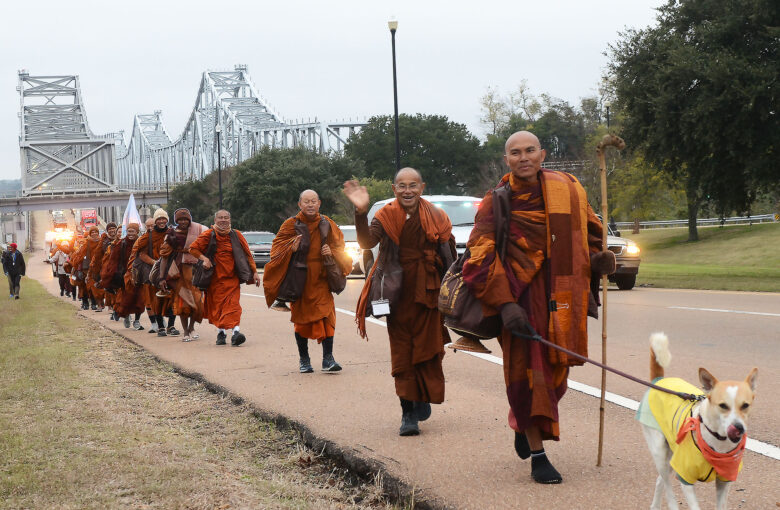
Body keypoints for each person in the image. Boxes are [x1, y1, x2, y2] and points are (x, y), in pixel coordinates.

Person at [462, 130, 616, 484]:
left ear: (542, 154)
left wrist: (600, 259)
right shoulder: (497, 200)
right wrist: (504, 305)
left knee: (556, 378)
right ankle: (539, 456)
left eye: (530, 150)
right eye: (515, 153)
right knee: (529, 378)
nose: (524, 157)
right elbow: (478, 257)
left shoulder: (570, 190)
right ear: (507, 160)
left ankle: (521, 423)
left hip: (563, 298)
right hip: (518, 301)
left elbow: (590, 234)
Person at [344, 169, 456, 436]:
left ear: (422, 187)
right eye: (402, 186)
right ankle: (408, 413)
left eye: (413, 185)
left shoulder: (437, 215)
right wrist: (360, 213)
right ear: (394, 189)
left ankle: (422, 395)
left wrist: (454, 291)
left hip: (429, 293)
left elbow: (449, 254)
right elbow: (366, 241)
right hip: (398, 293)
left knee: (431, 349)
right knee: (403, 352)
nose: (408, 191)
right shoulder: (386, 215)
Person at [263, 190, 353, 373]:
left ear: (319, 203)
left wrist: (332, 253)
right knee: (301, 322)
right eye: (306, 202)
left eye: (313, 201)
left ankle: (328, 359)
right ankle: (304, 360)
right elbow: (277, 250)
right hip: (300, 281)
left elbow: (340, 247)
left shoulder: (327, 223)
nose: (310, 205)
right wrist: (291, 248)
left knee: (328, 317)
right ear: (300, 204)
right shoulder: (290, 225)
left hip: (321, 279)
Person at [188, 209, 260, 346]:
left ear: (230, 220)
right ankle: (221, 333)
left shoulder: (236, 235)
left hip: (232, 278)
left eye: (226, 218)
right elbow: (193, 249)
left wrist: (255, 272)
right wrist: (204, 259)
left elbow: (247, 254)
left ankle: (236, 333)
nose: (223, 220)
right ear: (215, 220)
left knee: (233, 306)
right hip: (214, 279)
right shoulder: (209, 234)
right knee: (218, 308)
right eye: (220, 218)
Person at [159, 208, 207, 342]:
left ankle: (192, 328)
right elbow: (164, 257)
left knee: (197, 302)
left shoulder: (199, 232)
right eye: (180, 219)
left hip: (196, 272)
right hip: (179, 273)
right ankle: (185, 331)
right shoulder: (171, 234)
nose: (183, 221)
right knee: (183, 304)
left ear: (190, 219)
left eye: (185, 219)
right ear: (176, 220)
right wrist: (162, 278)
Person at [131, 209, 179, 337]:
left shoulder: (172, 234)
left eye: (164, 219)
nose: (162, 221)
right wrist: (155, 263)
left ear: (167, 220)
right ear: (156, 221)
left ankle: (171, 326)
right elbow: (141, 254)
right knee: (156, 299)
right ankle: (161, 327)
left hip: (171, 271)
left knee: (172, 298)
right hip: (154, 271)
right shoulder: (148, 236)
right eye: (159, 219)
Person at [103, 222, 146, 329]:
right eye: (129, 231)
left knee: (139, 299)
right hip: (125, 276)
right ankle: (126, 316)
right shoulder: (121, 244)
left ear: (137, 232)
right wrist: (110, 275)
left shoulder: (142, 243)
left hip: (139, 275)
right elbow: (113, 260)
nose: (130, 234)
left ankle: (137, 320)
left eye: (133, 231)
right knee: (127, 298)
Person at [87, 222, 118, 312]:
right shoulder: (104, 241)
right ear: (107, 231)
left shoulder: (120, 239)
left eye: (113, 228)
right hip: (106, 268)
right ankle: (108, 306)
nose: (112, 230)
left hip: (118, 268)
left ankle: (116, 307)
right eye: (110, 229)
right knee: (108, 287)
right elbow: (97, 256)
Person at [70, 227, 102, 310]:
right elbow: (79, 255)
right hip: (86, 268)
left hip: (97, 268)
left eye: (96, 232)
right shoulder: (86, 243)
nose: (94, 234)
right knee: (84, 286)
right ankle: (85, 302)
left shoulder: (101, 242)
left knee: (93, 286)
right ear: (90, 234)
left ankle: (94, 303)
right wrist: (76, 266)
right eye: (92, 232)